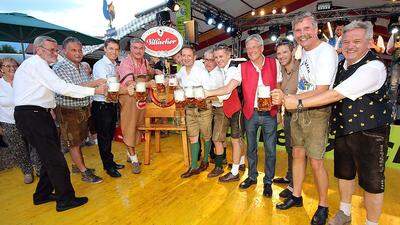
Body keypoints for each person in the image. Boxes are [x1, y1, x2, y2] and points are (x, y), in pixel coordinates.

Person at [282, 20, 391, 225]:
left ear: (369, 42)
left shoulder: (374, 67)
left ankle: (371, 222)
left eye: (357, 41)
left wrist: (297, 102)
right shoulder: (342, 64)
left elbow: (334, 94)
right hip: (344, 128)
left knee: (371, 182)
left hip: (370, 132)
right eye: (347, 41)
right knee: (345, 174)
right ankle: (344, 212)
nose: (350, 46)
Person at [13, 36, 107, 212]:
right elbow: (62, 87)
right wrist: (94, 90)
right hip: (33, 116)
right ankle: (65, 200)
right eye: (52, 50)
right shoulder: (37, 64)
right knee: (56, 160)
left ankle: (42, 195)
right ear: (39, 50)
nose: (56, 53)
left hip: (37, 115)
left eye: (56, 50)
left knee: (51, 158)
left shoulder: (36, 66)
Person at [271, 12, 338, 225]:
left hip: (317, 111)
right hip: (299, 110)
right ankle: (297, 196)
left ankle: (323, 205)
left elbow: (321, 90)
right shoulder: (304, 51)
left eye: (307, 29)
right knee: (298, 154)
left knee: (317, 162)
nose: (302, 34)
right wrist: (290, 99)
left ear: (316, 28)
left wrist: (291, 98)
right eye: (298, 30)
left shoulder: (326, 52)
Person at [206, 34, 282, 197]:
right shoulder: (242, 68)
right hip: (251, 112)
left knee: (270, 150)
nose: (252, 51)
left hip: (270, 113)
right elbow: (228, 88)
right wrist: (207, 93)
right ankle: (252, 176)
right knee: (251, 148)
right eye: (249, 48)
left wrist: (280, 109)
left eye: (255, 47)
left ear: (262, 48)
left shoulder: (274, 63)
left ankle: (268, 181)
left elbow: (279, 86)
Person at [53, 37, 106, 183]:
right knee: (73, 142)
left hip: (81, 109)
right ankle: (84, 172)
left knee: (78, 139)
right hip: (67, 110)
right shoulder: (61, 67)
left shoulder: (81, 66)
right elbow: (71, 89)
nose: (78, 53)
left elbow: (84, 87)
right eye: (73, 50)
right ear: (64, 51)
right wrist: (95, 83)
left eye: (80, 50)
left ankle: (76, 166)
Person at [117, 38, 159, 174]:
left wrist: (156, 72)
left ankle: (130, 154)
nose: (138, 51)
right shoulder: (125, 63)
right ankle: (134, 160)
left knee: (138, 126)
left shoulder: (145, 62)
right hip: (129, 98)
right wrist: (148, 84)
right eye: (135, 48)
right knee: (129, 126)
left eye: (141, 48)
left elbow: (149, 71)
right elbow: (131, 84)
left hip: (140, 99)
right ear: (130, 49)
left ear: (144, 49)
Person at [204, 45, 246, 182]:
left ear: (229, 55)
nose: (218, 59)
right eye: (216, 57)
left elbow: (228, 89)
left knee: (235, 140)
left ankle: (234, 172)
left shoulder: (233, 68)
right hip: (231, 107)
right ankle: (241, 162)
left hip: (238, 108)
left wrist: (206, 94)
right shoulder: (224, 69)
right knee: (237, 139)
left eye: (221, 56)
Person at [0, 58, 42, 184]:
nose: (12, 68)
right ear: (1, 69)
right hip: (9, 123)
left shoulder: (24, 82)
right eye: (8, 66)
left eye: (15, 65)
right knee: (18, 149)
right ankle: (27, 172)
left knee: (36, 146)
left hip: (29, 119)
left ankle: (39, 168)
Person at [177, 45, 213, 178]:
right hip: (189, 108)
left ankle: (205, 161)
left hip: (203, 107)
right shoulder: (181, 71)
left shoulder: (201, 71)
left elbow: (208, 89)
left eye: (189, 56)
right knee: (193, 137)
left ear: (194, 57)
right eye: (184, 55)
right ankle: (193, 167)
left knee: (206, 135)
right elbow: (176, 81)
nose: (186, 58)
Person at [92, 38, 125, 178]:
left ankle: (110, 162)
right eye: (111, 48)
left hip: (110, 104)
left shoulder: (113, 65)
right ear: (104, 49)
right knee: (104, 136)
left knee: (109, 135)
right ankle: (108, 166)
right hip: (102, 105)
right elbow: (107, 87)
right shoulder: (100, 65)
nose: (114, 52)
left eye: (116, 49)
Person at [272, 38, 299, 198]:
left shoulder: (301, 67)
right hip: (288, 114)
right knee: (290, 148)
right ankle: (290, 176)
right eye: (279, 53)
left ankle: (294, 185)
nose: (281, 56)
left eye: (285, 52)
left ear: (292, 52)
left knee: (298, 152)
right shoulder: (280, 71)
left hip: (302, 114)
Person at [201, 49, 224, 172]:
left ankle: (219, 165)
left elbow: (222, 95)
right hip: (208, 108)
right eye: (206, 60)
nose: (208, 62)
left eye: (211, 59)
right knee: (209, 135)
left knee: (217, 137)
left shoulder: (219, 74)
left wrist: (204, 96)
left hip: (219, 108)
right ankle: (214, 159)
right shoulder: (204, 72)